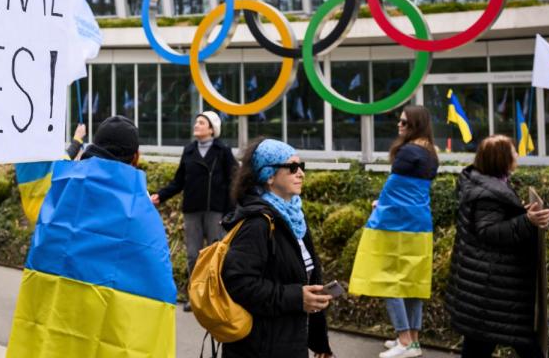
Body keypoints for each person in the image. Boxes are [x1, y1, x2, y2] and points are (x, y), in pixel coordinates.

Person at [6, 115, 177, 356]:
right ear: (136, 157)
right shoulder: (141, 211)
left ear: (93, 148)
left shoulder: (61, 191)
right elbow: (158, 286)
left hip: (58, 327)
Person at [221, 138, 333, 358]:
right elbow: (238, 283)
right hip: (259, 347)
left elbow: (309, 279)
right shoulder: (257, 222)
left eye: (301, 167)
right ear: (269, 175)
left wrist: (319, 343)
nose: (300, 173)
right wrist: (296, 298)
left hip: (290, 340)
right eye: (292, 168)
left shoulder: (294, 217)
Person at [447, 135, 549, 358]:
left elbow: (491, 222)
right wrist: (527, 221)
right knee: (521, 342)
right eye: (513, 152)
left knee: (480, 342)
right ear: (501, 159)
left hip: (486, 285)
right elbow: (488, 231)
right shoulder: (489, 192)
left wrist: (520, 213)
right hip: (493, 285)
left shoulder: (484, 183)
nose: (517, 155)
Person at [348, 106, 438, 358]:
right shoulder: (431, 152)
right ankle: (414, 341)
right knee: (413, 284)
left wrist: (381, 205)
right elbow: (410, 190)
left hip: (395, 224)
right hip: (419, 224)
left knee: (390, 281)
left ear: (415, 125)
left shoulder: (408, 152)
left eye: (404, 123)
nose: (399, 126)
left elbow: (393, 187)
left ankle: (404, 339)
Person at [151, 110, 237, 312]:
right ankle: (195, 297)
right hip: (192, 211)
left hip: (216, 211)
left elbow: (234, 180)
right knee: (193, 256)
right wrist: (160, 196)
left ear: (211, 129)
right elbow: (178, 181)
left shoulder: (222, 151)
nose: (196, 125)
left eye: (201, 122)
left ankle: (215, 297)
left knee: (215, 254)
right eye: (196, 122)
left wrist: (231, 212)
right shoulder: (189, 151)